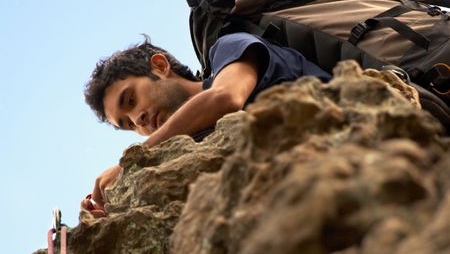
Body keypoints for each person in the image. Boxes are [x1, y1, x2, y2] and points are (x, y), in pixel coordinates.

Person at [82, 33, 330, 216]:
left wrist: (131, 163)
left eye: (131, 99)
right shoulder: (196, 146)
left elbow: (227, 97)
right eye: (128, 125)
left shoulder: (228, 48)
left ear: (160, 66)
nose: (138, 120)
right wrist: (117, 212)